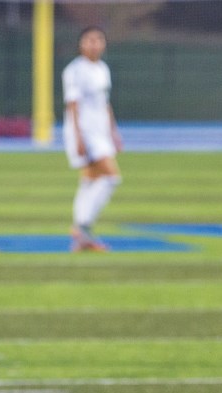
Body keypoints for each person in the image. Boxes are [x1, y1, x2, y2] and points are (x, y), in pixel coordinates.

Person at [62, 26, 122, 252]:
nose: (95, 44)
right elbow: (73, 106)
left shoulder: (103, 69)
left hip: (101, 133)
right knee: (111, 178)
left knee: (89, 180)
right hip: (85, 133)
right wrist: (78, 137)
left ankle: (81, 237)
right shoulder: (75, 70)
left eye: (99, 39)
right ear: (81, 44)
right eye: (90, 40)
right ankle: (82, 226)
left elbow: (105, 103)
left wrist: (114, 132)